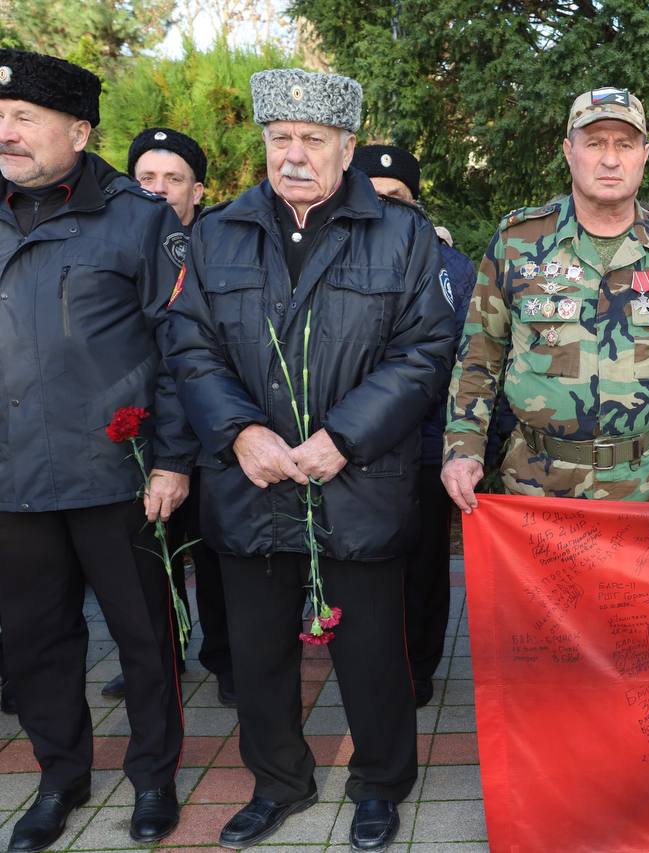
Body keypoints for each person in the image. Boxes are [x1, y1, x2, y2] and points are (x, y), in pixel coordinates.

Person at [165, 68, 455, 851]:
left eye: (313, 140)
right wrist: (238, 433)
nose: (294, 155)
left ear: (347, 147)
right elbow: (188, 344)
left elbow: (426, 351)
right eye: (279, 139)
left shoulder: (403, 235)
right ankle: (279, 781)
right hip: (251, 482)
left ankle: (381, 785)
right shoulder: (218, 231)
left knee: (372, 657)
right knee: (257, 655)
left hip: (357, 481)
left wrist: (345, 437)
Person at [0, 49, 190, 850]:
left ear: (79, 130)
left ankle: (153, 775)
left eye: (24, 118)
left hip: (121, 477)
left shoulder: (138, 217)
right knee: (37, 641)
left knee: (145, 636)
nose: (5, 132)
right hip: (13, 481)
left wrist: (175, 458)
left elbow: (183, 346)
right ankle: (60, 776)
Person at [442, 87, 649, 510]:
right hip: (538, 487)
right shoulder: (518, 241)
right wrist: (463, 448)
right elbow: (480, 353)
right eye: (595, 144)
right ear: (569, 151)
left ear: (644, 155)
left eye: (624, 145)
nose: (610, 159)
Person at [97, 126, 237, 708]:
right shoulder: (111, 241)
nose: (157, 191)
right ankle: (160, 657)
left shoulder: (222, 247)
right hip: (137, 426)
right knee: (149, 552)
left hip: (208, 430)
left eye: (172, 180)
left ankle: (228, 658)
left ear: (198, 191)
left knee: (218, 550)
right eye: (145, 179)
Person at [352, 142, 477, 706]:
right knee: (362, 568)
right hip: (351, 447)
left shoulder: (451, 267)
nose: (385, 208)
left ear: (417, 202)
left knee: (424, 569)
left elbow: (472, 360)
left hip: (424, 446)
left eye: (397, 198)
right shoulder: (334, 254)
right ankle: (367, 662)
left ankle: (420, 666)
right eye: (373, 198)